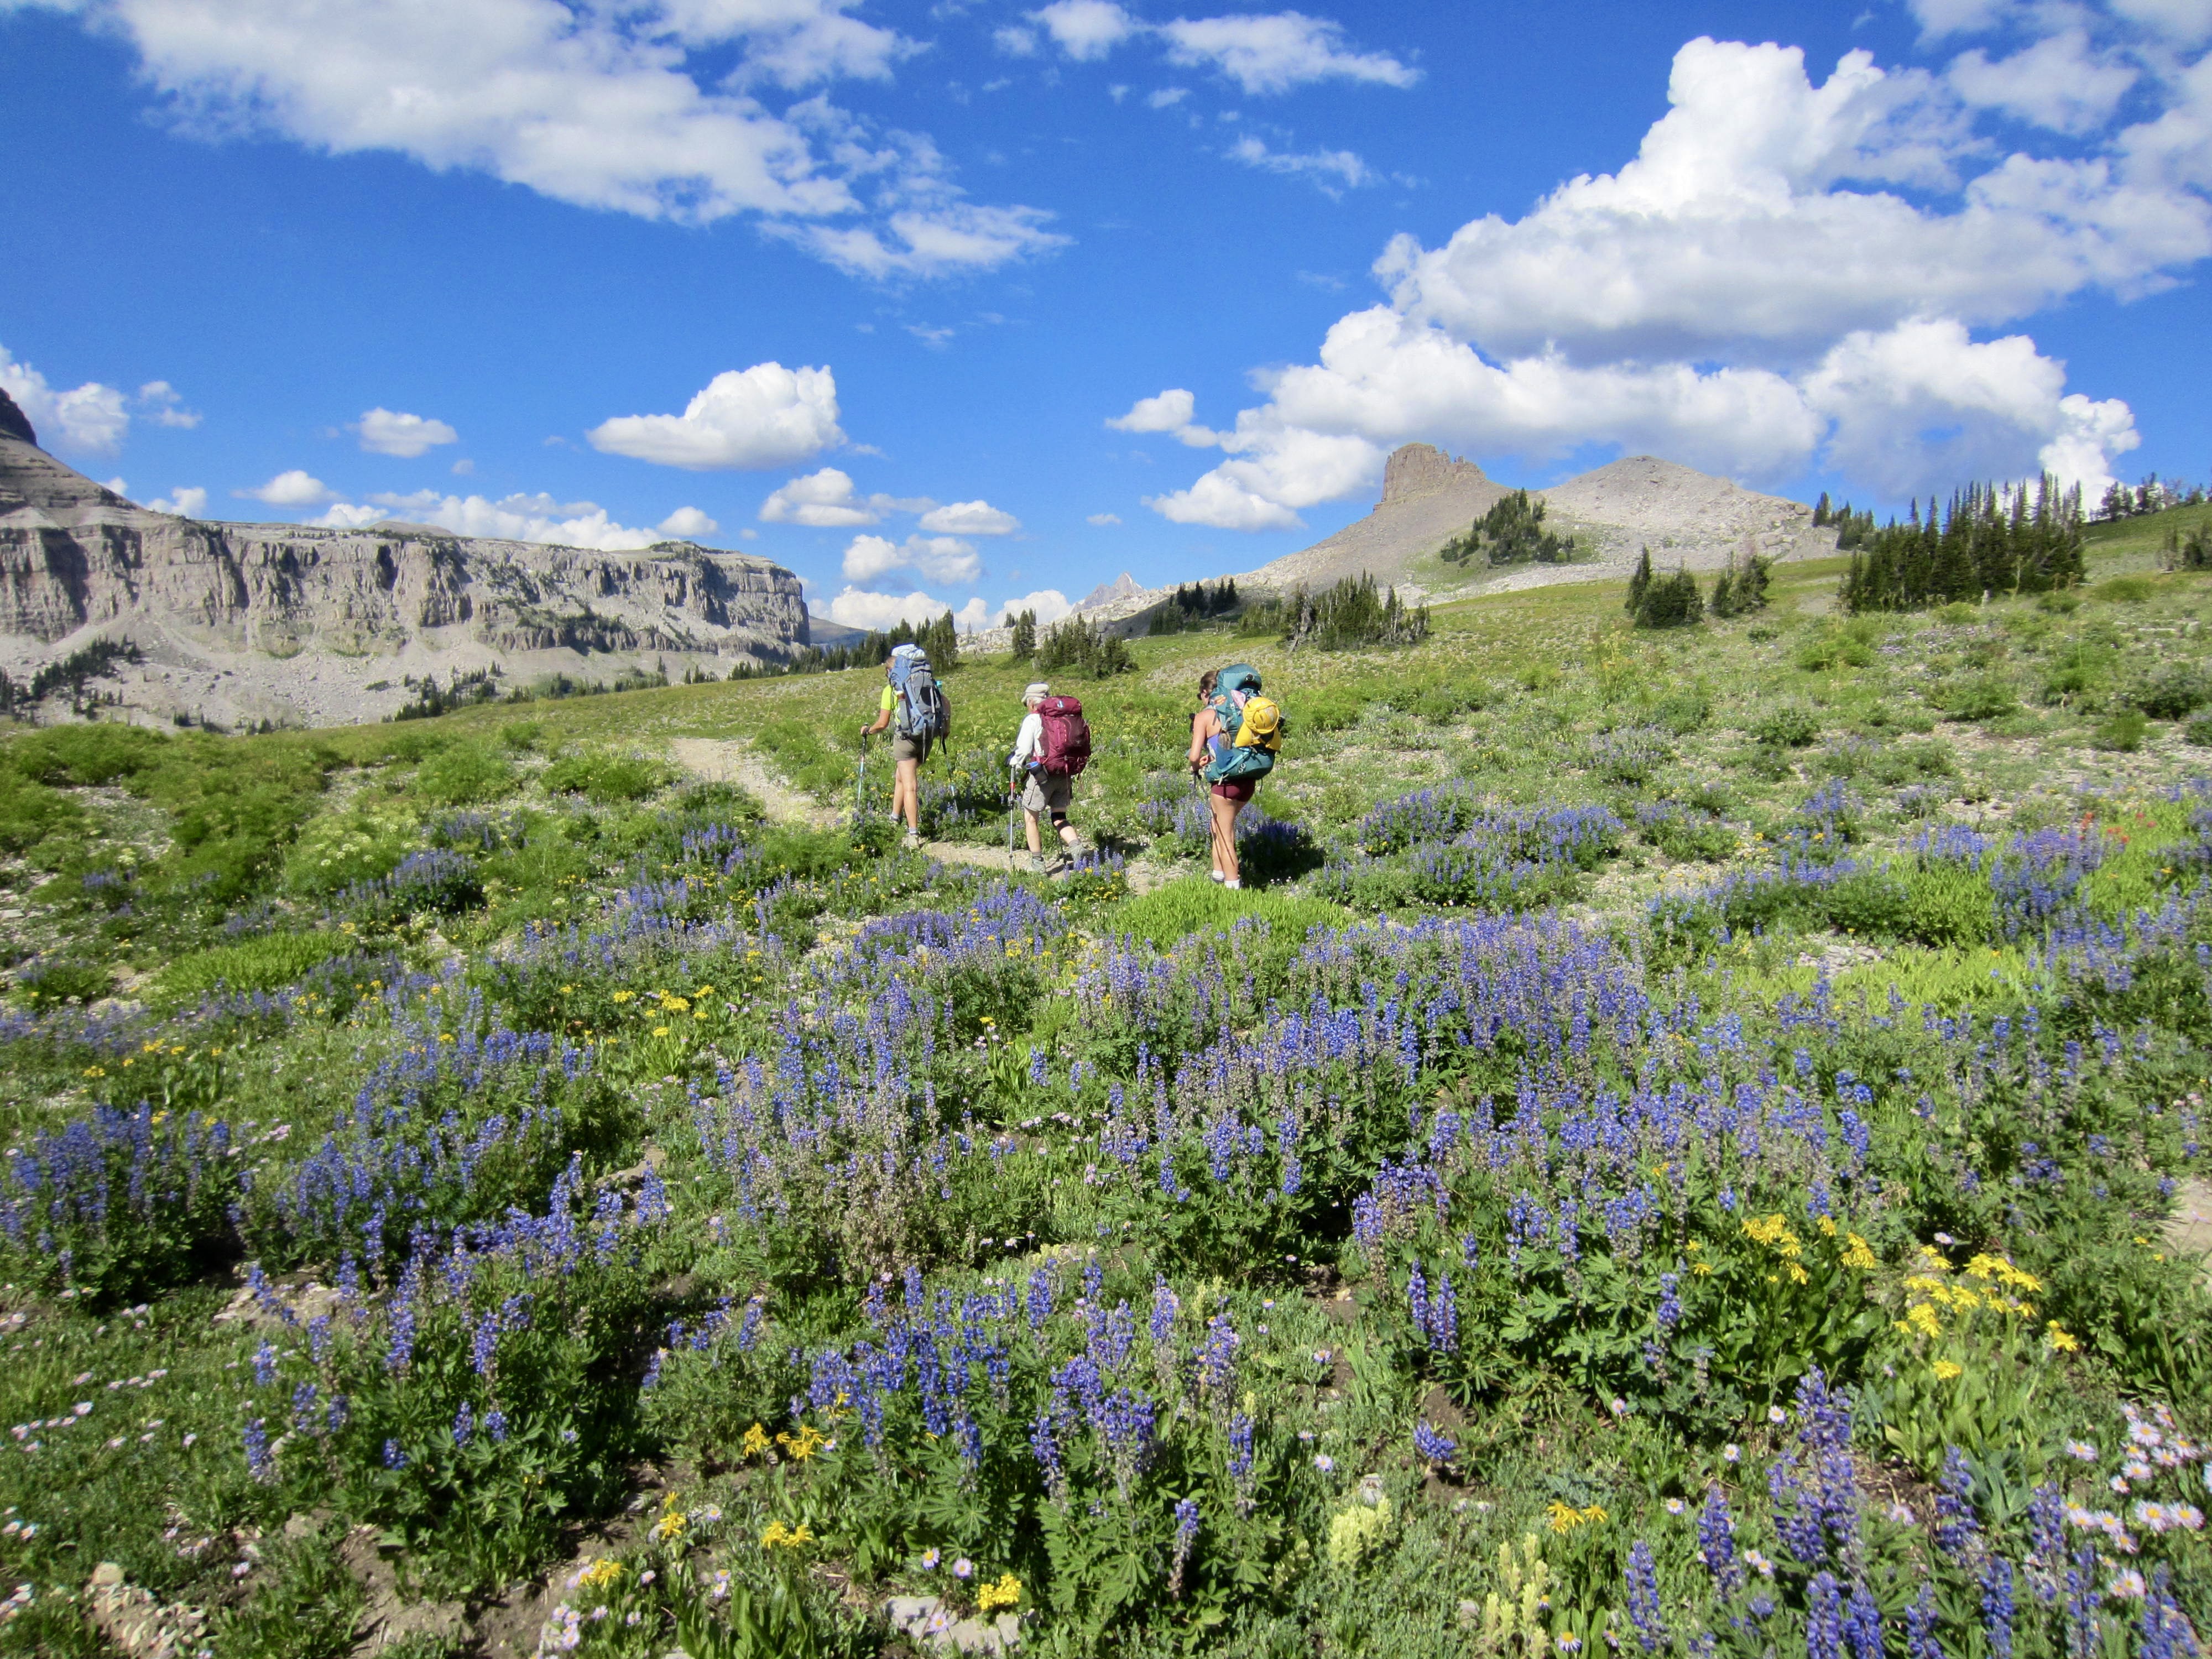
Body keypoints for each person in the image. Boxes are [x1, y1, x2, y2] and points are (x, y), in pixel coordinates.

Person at [1186, 668, 1251, 888]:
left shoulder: (1204, 717)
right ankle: (1218, 874)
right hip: (1248, 779)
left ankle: (1233, 888)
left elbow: (1193, 756)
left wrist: (1196, 765)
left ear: (1206, 693)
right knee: (1217, 826)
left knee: (1225, 835)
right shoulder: (1241, 708)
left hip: (1225, 784)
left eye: (1201, 695)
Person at [1008, 681, 1080, 874]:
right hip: (1064, 773)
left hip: (1042, 776)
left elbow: (1024, 750)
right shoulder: (1063, 717)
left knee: (1031, 818)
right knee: (1059, 817)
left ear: (1032, 703)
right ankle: (1076, 847)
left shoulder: (1032, 719)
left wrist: (1014, 762)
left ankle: (1038, 863)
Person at [860, 654, 926, 849]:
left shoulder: (891, 690)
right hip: (926, 739)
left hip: (906, 741)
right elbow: (945, 703)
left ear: (891, 672)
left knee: (910, 786)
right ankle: (894, 818)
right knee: (901, 777)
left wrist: (868, 731)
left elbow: (882, 724)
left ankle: (913, 834)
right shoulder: (923, 686)